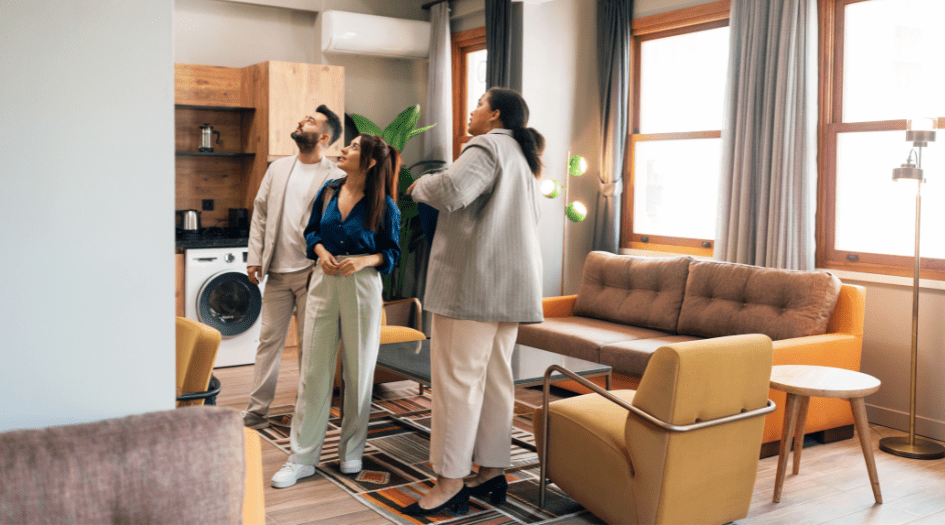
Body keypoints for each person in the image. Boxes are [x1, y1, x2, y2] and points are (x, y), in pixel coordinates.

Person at [403, 87, 545, 516]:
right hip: (510, 288)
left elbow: (449, 190)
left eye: (479, 104)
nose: (471, 110)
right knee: (495, 379)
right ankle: (492, 470)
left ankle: (449, 481)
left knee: (456, 383)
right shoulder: (523, 157)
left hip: (472, 288)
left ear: (496, 113)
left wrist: (417, 185)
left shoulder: (486, 145)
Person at [271, 133, 402, 489]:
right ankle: (301, 458)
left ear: (371, 161)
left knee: (359, 371)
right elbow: (310, 231)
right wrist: (320, 252)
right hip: (323, 282)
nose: (344, 150)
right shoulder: (328, 191)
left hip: (362, 284)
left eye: (354, 147)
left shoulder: (385, 205)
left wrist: (364, 260)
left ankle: (351, 451)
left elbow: (391, 253)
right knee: (314, 370)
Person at [242, 106, 345, 430]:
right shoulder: (278, 168)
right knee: (268, 343)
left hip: (313, 273)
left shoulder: (335, 176)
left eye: (310, 122)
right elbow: (259, 213)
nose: (301, 122)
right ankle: (257, 412)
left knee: (312, 348)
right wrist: (254, 257)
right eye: (302, 118)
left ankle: (308, 414)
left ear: (324, 137)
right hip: (276, 271)